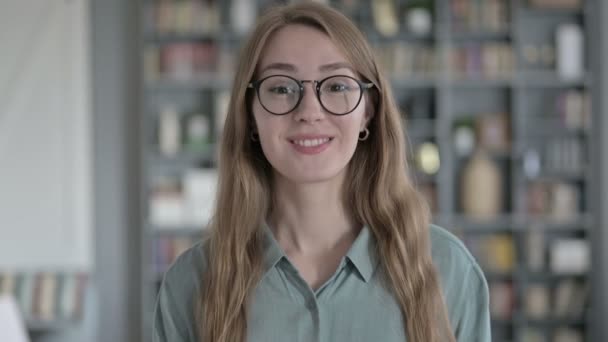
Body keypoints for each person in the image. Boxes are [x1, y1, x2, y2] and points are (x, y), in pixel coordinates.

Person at [153, 2, 491, 342]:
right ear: (250, 115)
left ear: (368, 111)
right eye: (282, 88)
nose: (310, 111)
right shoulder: (191, 283)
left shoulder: (448, 268)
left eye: (336, 86)